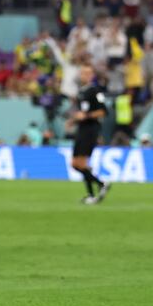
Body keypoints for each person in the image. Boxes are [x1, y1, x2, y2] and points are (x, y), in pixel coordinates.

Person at [70, 65, 110, 204]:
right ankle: (93, 192)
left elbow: (103, 111)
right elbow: (81, 113)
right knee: (76, 164)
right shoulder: (81, 92)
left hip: (90, 129)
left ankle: (99, 186)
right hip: (82, 129)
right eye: (82, 73)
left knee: (80, 163)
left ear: (91, 75)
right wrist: (73, 120)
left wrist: (86, 115)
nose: (84, 76)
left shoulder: (95, 90)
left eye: (87, 73)